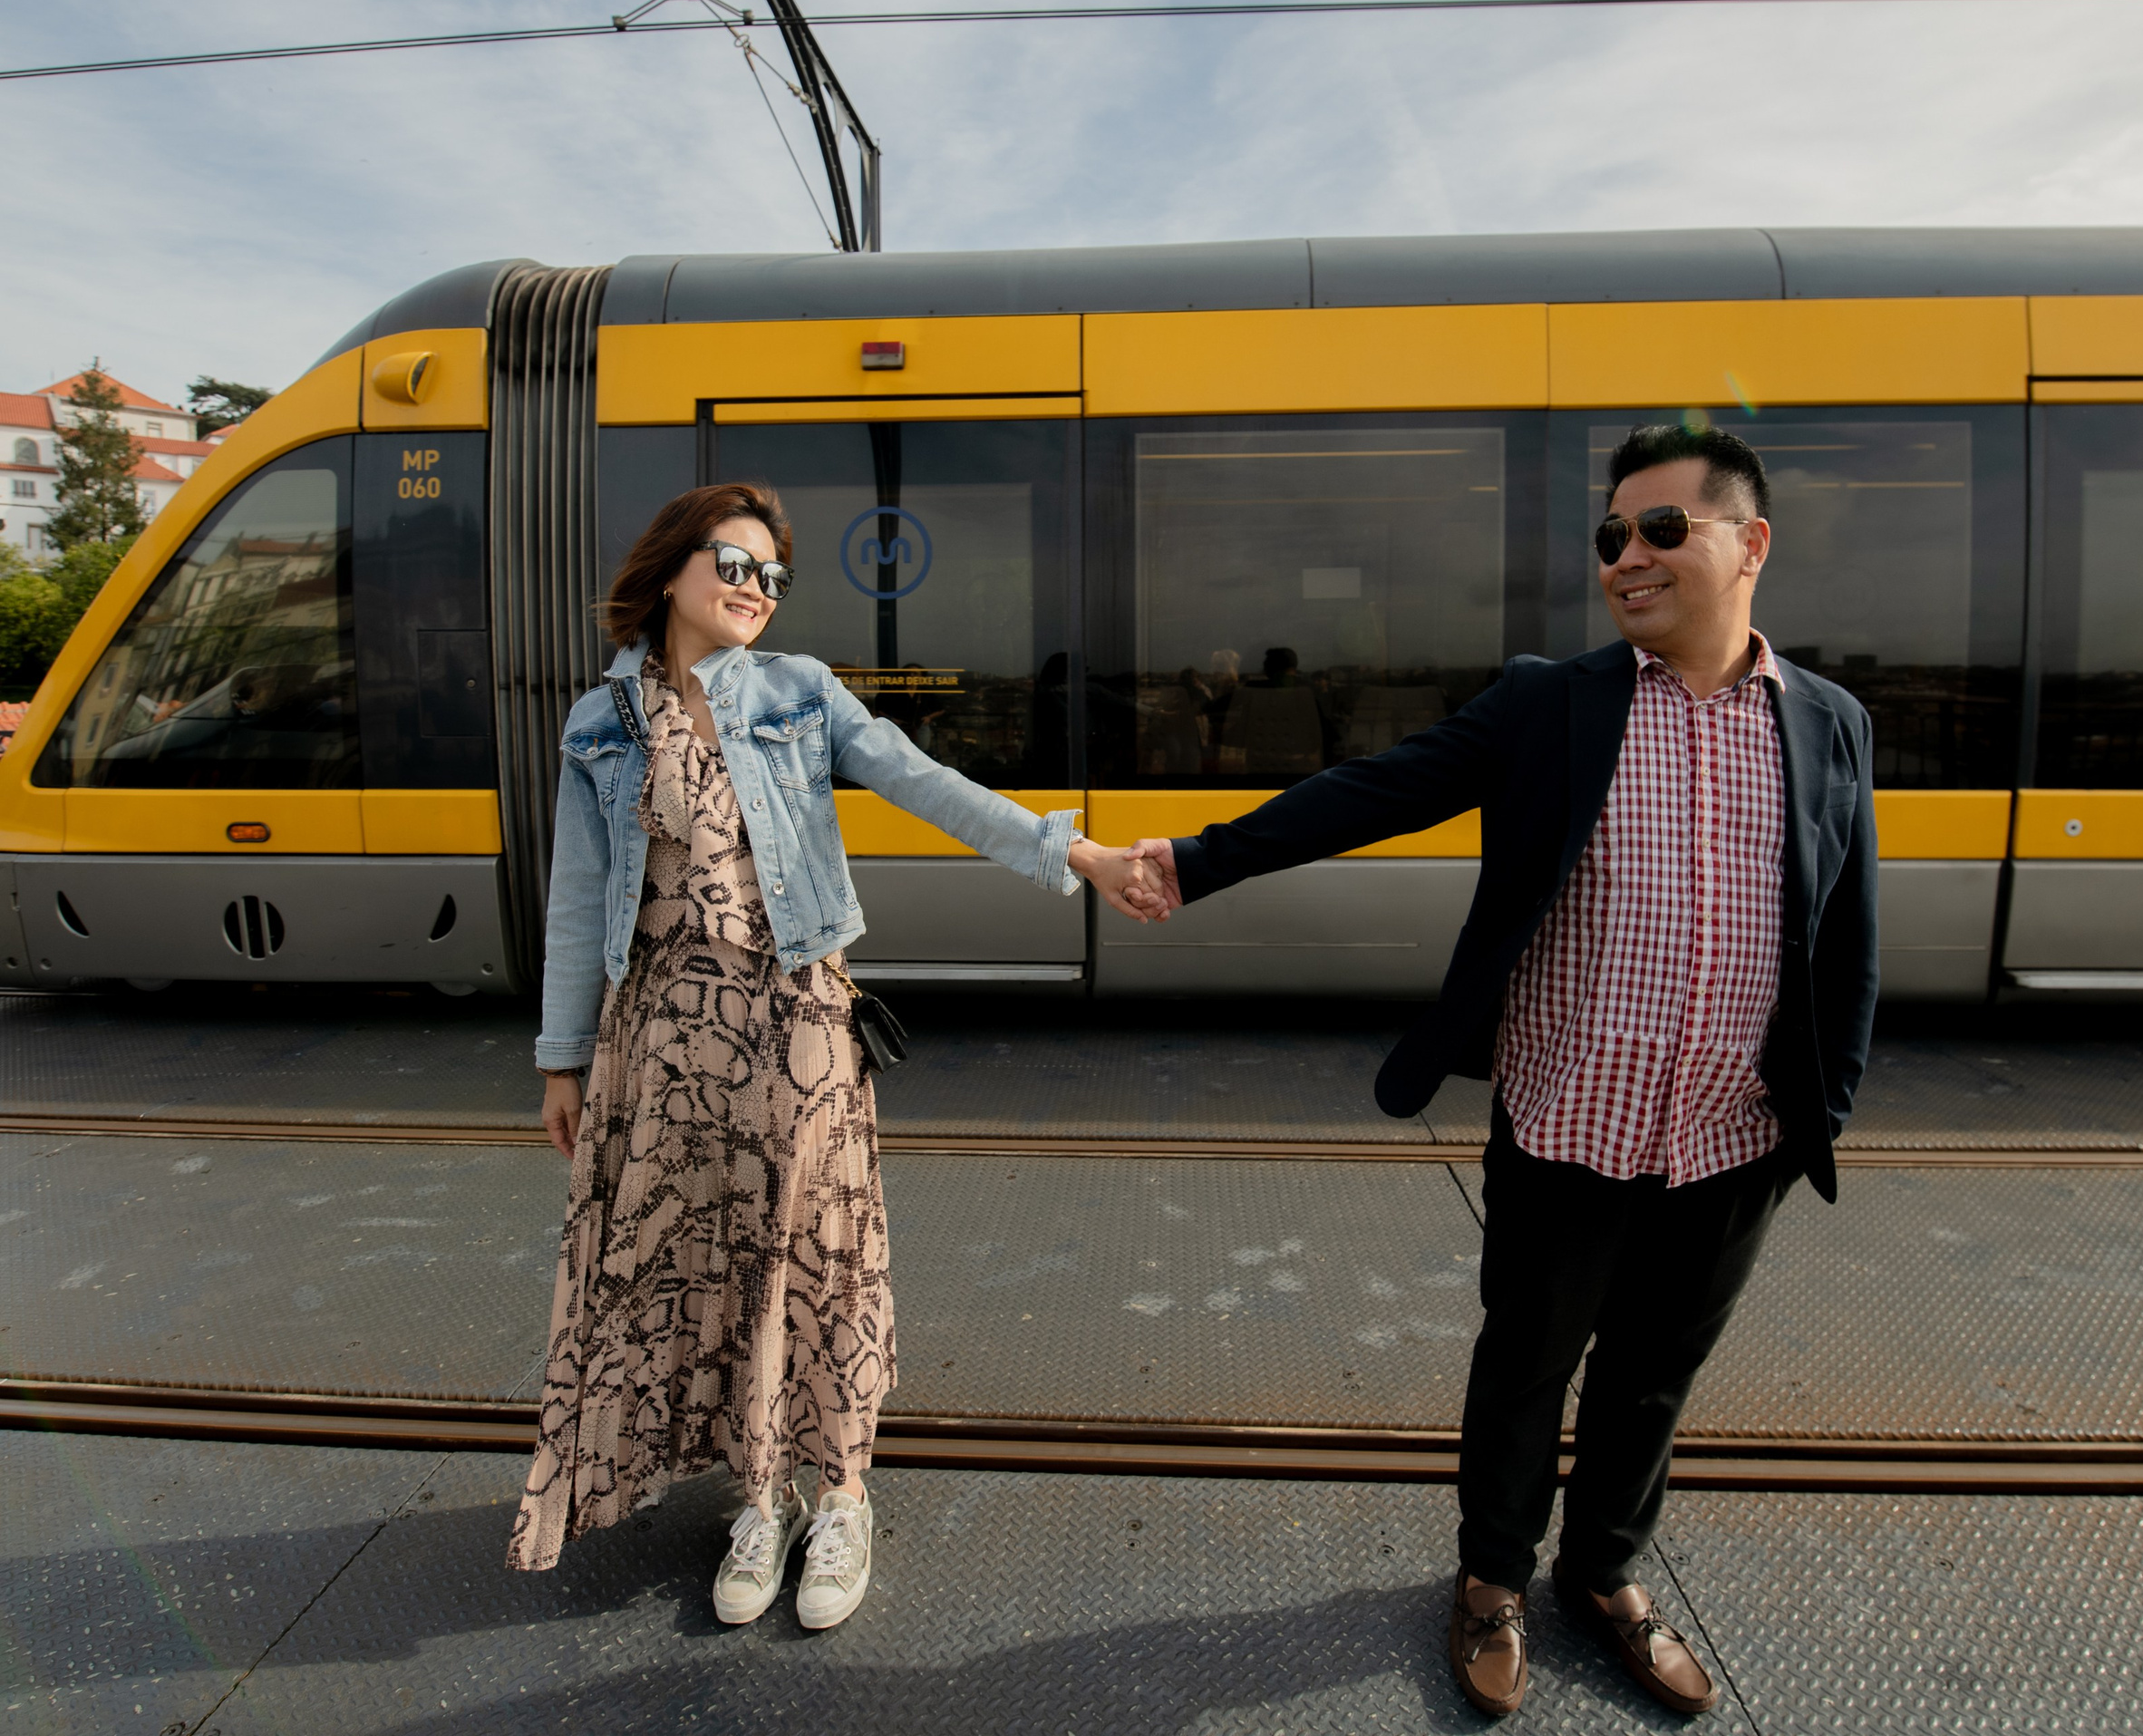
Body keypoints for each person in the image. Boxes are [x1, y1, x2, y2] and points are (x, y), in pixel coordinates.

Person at [1122, 424, 1876, 1718]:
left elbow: (1847, 929)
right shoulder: (1553, 703)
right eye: (1609, 537)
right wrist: (1193, 862)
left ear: (1749, 545)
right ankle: (1491, 1580)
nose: (1624, 558)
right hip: (1569, 1116)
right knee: (1529, 1362)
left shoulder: (1829, 724)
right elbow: (1376, 789)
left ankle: (1605, 1574)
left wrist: (1824, 1100)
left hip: (1730, 1134)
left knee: (1652, 1376)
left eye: (1658, 530)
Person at [507, 481, 1153, 1630]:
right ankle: (759, 1494)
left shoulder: (801, 693)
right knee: (711, 1266)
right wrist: (563, 1058)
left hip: (795, 1022)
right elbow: (577, 900)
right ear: (670, 570)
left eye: (771, 575)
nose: (755, 588)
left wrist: (1078, 854)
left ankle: (842, 1495)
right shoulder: (601, 722)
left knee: (816, 1257)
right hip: (660, 1043)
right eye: (735, 563)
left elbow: (925, 782)